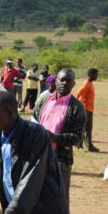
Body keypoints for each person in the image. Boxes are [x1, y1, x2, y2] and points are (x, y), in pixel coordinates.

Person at [32, 68, 85, 201]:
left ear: (73, 84)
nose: (64, 84)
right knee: (35, 196)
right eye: (61, 80)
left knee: (59, 199)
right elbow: (32, 124)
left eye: (68, 81)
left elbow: (77, 138)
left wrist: (53, 137)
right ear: (55, 81)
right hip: (37, 157)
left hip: (60, 161)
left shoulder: (77, 107)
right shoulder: (43, 101)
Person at [76, 68, 99, 152]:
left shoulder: (90, 83)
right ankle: (79, 146)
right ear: (90, 75)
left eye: (97, 74)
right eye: (95, 74)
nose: (97, 76)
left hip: (90, 109)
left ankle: (89, 146)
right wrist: (82, 109)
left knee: (88, 128)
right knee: (82, 128)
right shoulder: (86, 84)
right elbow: (80, 95)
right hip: (85, 109)